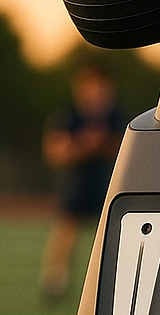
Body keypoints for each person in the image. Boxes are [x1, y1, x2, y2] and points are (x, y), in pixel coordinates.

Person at [39, 64, 125, 301]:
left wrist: (104, 145)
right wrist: (83, 146)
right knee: (67, 229)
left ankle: (116, 284)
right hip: (77, 182)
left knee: (114, 233)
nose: (96, 92)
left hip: (110, 183)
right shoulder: (68, 116)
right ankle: (55, 280)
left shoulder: (118, 116)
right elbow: (54, 152)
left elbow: (130, 149)